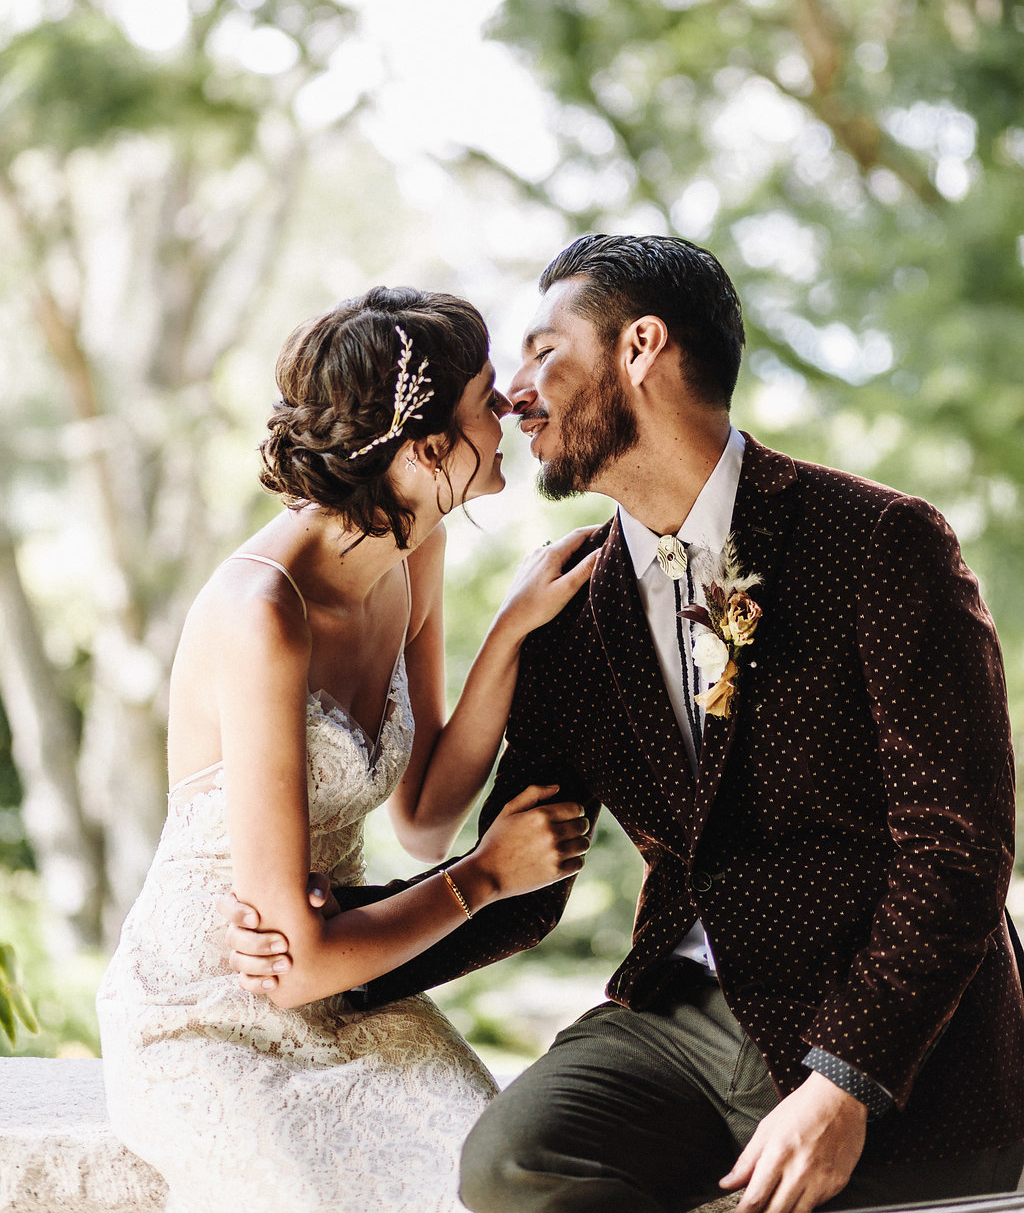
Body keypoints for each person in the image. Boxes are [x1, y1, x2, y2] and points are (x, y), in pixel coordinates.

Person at [228, 235, 1024, 1213]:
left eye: (542, 351)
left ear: (640, 347)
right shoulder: (573, 608)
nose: (514, 394)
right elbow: (527, 874)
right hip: (674, 1023)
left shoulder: (877, 542)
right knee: (507, 1166)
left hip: (885, 1033)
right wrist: (325, 956)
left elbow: (959, 851)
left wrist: (845, 1082)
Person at [96, 285, 596, 1213]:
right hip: (211, 1009)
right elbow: (294, 962)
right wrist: (486, 878)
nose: (513, 407)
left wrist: (513, 630)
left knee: (495, 1183)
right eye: (488, 397)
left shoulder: (416, 545)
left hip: (351, 987)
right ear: (423, 450)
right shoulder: (263, 618)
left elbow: (423, 814)